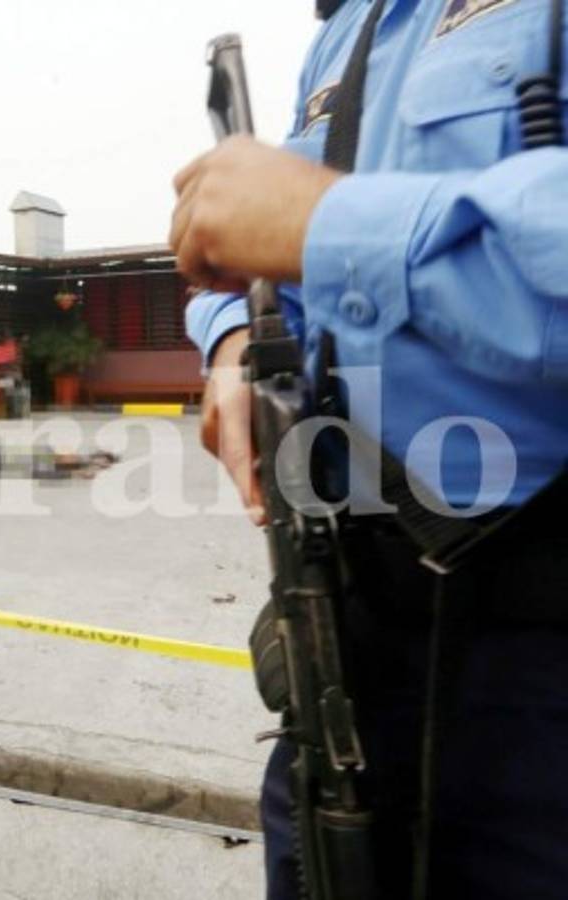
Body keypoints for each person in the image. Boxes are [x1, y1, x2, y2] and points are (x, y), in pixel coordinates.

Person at [173, 1, 568, 897]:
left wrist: (329, 223)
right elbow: (275, 255)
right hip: (343, 642)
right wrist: (235, 336)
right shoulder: (351, 23)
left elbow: (312, 221)